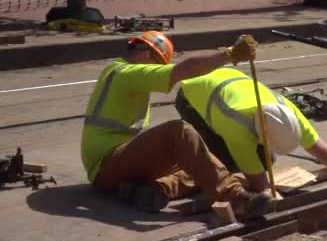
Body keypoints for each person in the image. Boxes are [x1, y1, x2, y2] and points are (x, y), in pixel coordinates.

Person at [80, 30, 272, 217]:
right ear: (147, 54)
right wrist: (230, 54)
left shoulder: (121, 73)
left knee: (203, 158)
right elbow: (184, 70)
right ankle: (236, 199)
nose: (159, 70)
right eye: (159, 65)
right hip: (106, 164)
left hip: (116, 166)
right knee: (179, 132)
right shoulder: (126, 73)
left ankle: (154, 190)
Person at [174, 67, 327, 197]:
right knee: (221, 160)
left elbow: (320, 148)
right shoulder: (235, 125)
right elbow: (258, 183)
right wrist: (270, 195)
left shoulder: (288, 114)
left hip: (226, 78)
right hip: (193, 95)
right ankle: (187, 174)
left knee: (266, 160)